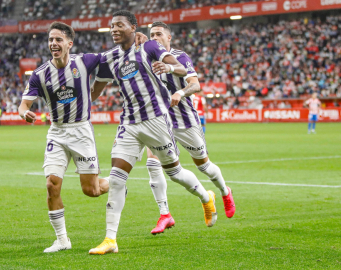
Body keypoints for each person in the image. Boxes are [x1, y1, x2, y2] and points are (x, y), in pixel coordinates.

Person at [88, 11, 217, 255]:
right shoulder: (109, 58)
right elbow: (97, 89)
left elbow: (179, 67)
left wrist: (169, 69)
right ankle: (110, 239)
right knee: (116, 177)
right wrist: (79, 105)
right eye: (111, 26)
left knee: (175, 173)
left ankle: (205, 197)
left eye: (119, 25)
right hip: (129, 123)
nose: (114, 29)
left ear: (133, 27)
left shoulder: (148, 46)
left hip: (157, 121)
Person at [18, 22, 110, 253]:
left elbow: (111, 58)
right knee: (52, 184)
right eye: (50, 40)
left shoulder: (85, 61)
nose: (53, 44)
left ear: (69, 43)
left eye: (58, 39)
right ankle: (62, 240)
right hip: (57, 132)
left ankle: (117, 183)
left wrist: (137, 40)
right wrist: (23, 113)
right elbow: (23, 104)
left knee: (91, 191)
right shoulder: (40, 74)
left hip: (81, 131)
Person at [143, 21, 235, 235]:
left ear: (168, 38)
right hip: (159, 122)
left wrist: (180, 93)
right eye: (152, 35)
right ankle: (165, 214)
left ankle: (223, 191)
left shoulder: (179, 57)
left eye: (159, 34)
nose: (155, 38)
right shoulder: (146, 60)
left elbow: (196, 84)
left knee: (204, 166)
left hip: (184, 121)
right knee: (154, 164)